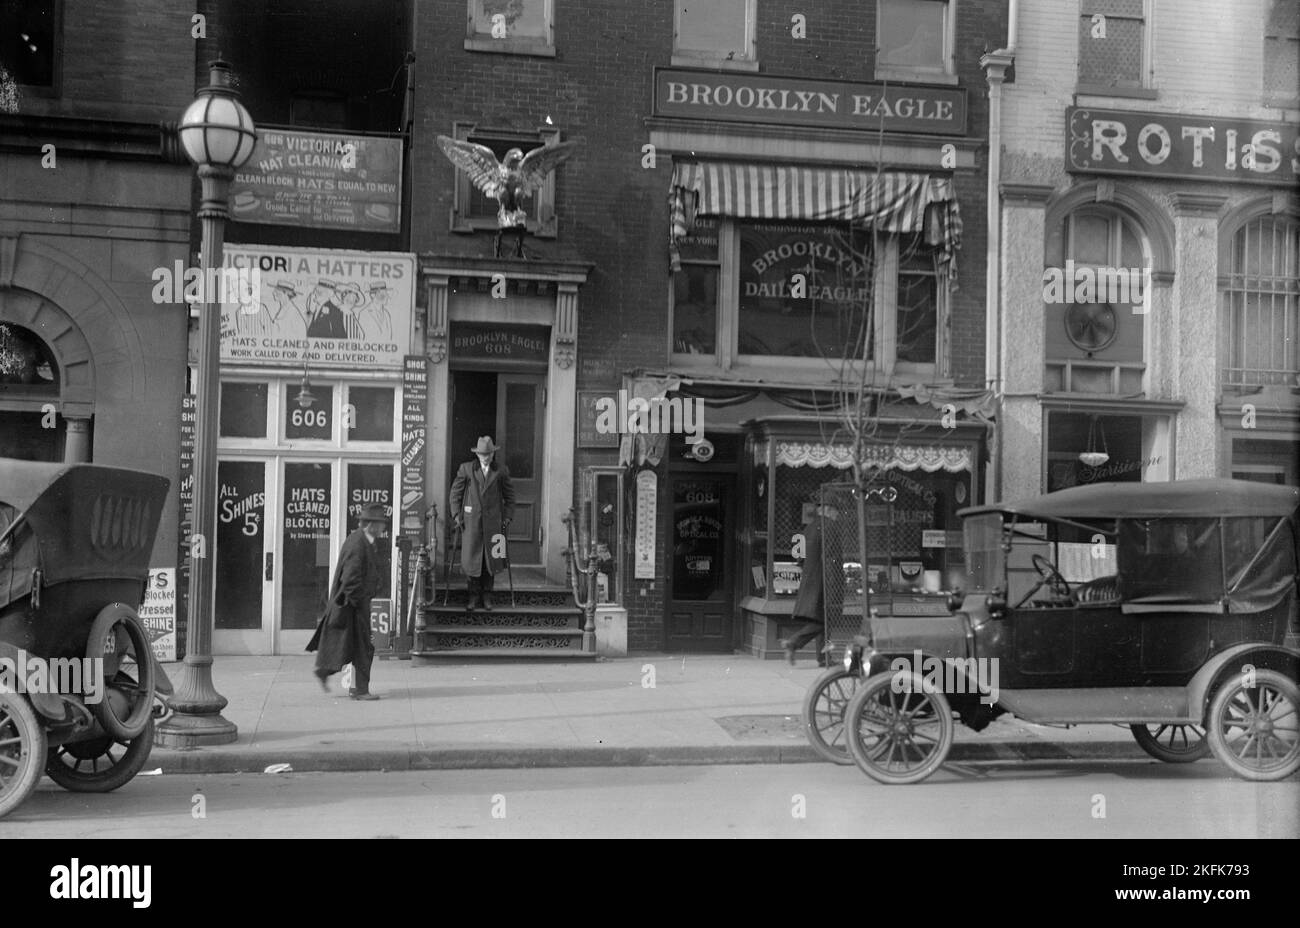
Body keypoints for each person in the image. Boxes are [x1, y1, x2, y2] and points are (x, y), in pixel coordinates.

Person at [306, 502, 389, 700]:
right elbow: (351, 579)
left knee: (351, 646)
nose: (383, 528)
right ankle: (360, 690)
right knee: (363, 647)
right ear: (370, 525)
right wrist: (360, 603)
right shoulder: (358, 543)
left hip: (355, 605)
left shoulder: (363, 540)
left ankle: (326, 671)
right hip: (354, 606)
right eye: (381, 524)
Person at [449, 436, 516, 611]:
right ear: (477, 454)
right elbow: (455, 493)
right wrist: (457, 514)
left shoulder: (501, 471)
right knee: (472, 560)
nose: (485, 457)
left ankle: (487, 596)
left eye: (488, 454)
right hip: (472, 524)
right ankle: (473, 596)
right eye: (482, 454)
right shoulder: (467, 469)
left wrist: (507, 517)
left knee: (492, 561)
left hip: (495, 524)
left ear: (493, 454)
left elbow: (510, 497)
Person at [781, 505, 837, 667]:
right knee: (826, 618)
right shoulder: (830, 527)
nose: (836, 515)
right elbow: (831, 557)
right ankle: (794, 642)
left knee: (823, 618)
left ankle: (823, 657)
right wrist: (835, 581)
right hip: (826, 580)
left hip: (809, 580)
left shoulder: (808, 528)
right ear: (827, 510)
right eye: (835, 511)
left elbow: (799, 558)